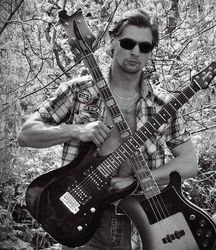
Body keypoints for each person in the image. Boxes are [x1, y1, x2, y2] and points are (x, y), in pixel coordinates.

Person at [17, 8, 198, 250]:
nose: (136, 51)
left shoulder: (162, 104)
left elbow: (189, 163)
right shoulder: (78, 92)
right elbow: (26, 134)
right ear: (112, 43)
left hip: (142, 226)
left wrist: (135, 181)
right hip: (80, 219)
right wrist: (76, 130)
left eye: (145, 47)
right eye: (128, 42)